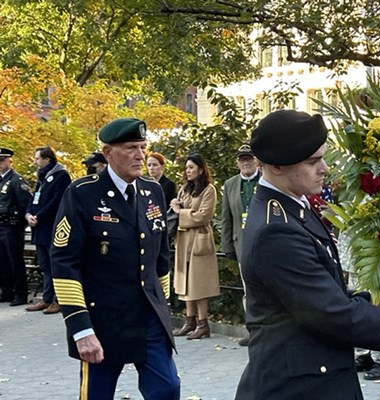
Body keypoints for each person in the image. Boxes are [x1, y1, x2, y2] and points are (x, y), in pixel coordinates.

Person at [234, 110, 380, 400]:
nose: (325, 168)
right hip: (297, 388)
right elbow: (328, 312)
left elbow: (326, 290)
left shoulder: (292, 206)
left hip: (315, 376)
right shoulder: (276, 230)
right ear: (276, 165)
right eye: (313, 161)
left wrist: (378, 304)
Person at [50, 118, 180, 400]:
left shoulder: (152, 191)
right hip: (103, 321)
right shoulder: (83, 193)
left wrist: (162, 305)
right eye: (131, 148)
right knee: (97, 394)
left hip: (148, 317)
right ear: (108, 153)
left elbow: (161, 256)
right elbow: (63, 262)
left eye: (143, 147)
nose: (140, 155)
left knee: (167, 389)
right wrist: (80, 328)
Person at [171, 154, 219, 340]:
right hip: (184, 239)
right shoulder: (185, 188)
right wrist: (176, 204)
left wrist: (180, 211)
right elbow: (181, 208)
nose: (187, 171)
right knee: (185, 282)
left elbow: (203, 216)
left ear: (200, 169)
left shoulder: (209, 190)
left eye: (191, 167)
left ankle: (202, 323)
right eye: (186, 168)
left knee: (199, 283)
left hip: (199, 239)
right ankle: (189, 321)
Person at [220, 144, 261, 346]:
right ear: (237, 162)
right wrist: (226, 245)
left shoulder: (266, 180)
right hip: (242, 244)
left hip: (266, 244)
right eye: (242, 159)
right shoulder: (230, 184)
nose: (246, 162)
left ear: (257, 161)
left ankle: (273, 330)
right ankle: (254, 330)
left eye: (249, 159)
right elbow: (225, 217)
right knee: (249, 290)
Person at [25, 146, 71, 314]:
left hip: (51, 226)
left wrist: (39, 216)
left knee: (55, 264)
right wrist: (29, 214)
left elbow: (56, 201)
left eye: (37, 158)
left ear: (47, 159)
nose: (35, 162)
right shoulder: (42, 177)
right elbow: (34, 198)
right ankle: (47, 298)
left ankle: (59, 300)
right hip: (39, 228)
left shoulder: (61, 176)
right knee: (44, 265)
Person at [0, 148, 32, 306]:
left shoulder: (16, 180)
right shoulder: (1, 181)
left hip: (12, 225)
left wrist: (21, 222)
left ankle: (20, 294)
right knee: (2, 261)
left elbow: (26, 204)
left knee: (15, 260)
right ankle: (6, 291)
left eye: (1, 161)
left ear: (9, 161)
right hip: (1, 225)